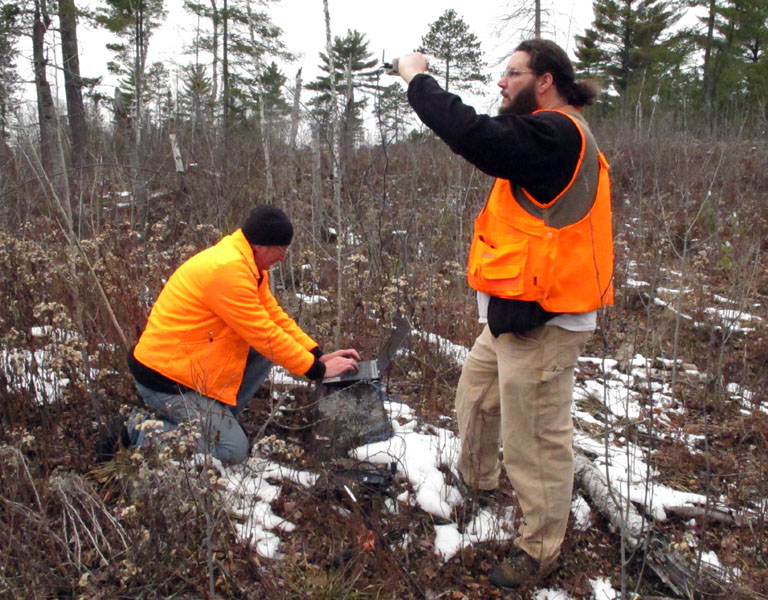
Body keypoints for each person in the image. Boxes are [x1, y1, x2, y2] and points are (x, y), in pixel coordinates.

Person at [392, 40, 613, 589]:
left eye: (512, 73)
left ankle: (540, 548)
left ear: (545, 81)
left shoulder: (558, 134)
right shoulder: (544, 134)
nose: (501, 82)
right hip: (515, 316)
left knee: (534, 439)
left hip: (545, 321)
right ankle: (477, 482)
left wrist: (418, 80)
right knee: (476, 398)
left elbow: (475, 135)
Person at [126, 205, 360, 464]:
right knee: (232, 451)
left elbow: (273, 316)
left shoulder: (249, 266)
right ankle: (137, 428)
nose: (282, 259)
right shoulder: (228, 270)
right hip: (165, 380)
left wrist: (316, 355)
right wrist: (316, 371)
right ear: (261, 247)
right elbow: (263, 333)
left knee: (264, 352)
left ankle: (219, 418)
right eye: (281, 251)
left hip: (189, 366)